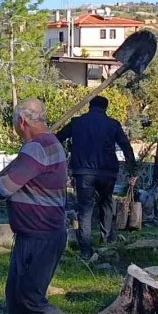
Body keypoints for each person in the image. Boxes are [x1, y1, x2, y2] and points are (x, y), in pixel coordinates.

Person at [0, 99, 110, 314]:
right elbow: (20, 176)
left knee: (31, 298)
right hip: (32, 234)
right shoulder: (48, 145)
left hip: (41, 237)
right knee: (15, 295)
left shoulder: (37, 148)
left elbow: (5, 188)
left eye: (15, 124)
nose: (15, 128)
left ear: (22, 122)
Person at [55, 96, 136, 260]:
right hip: (108, 173)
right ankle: (106, 243)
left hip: (84, 173)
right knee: (106, 203)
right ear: (105, 108)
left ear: (90, 107)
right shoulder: (113, 124)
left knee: (85, 210)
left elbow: (58, 138)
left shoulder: (77, 122)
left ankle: (86, 250)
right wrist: (132, 170)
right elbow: (126, 147)